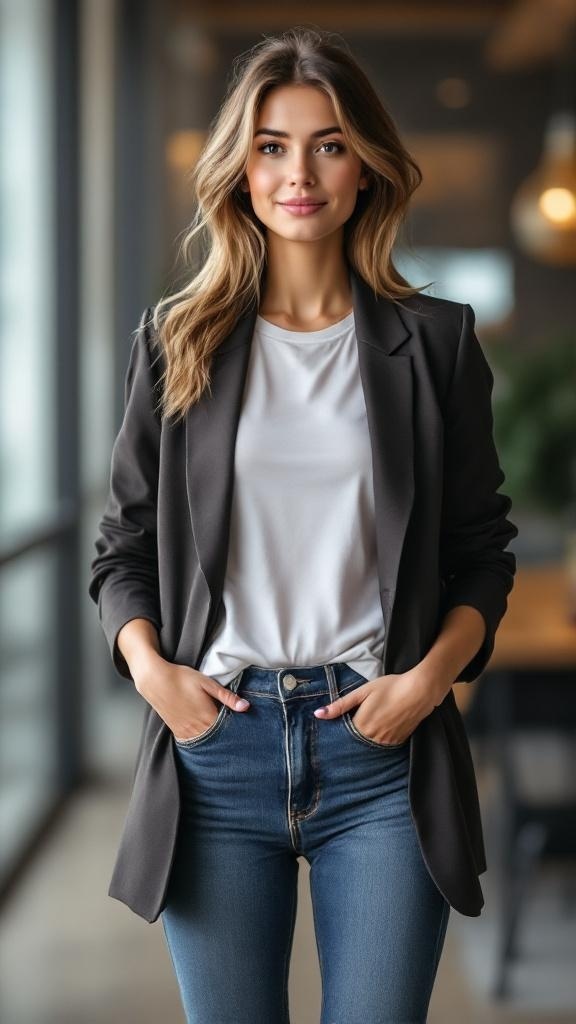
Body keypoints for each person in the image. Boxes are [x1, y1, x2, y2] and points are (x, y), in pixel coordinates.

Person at [88, 26, 518, 1024]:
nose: (299, 173)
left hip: (383, 747)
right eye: (273, 146)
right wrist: (156, 677)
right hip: (217, 746)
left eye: (327, 144)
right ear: (240, 172)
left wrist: (424, 683)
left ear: (366, 166)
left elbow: (480, 551)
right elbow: (123, 547)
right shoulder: (176, 341)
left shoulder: (438, 342)